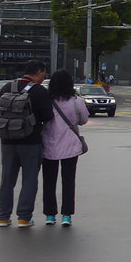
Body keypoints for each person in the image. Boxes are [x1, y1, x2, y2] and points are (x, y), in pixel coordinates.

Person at [0, 60, 55, 227]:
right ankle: (23, 217)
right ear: (40, 72)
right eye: (44, 74)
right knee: (29, 179)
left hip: (7, 140)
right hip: (31, 141)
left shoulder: (7, 88)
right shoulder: (39, 90)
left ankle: (3, 217)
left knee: (7, 180)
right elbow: (48, 116)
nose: (44, 77)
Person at [41, 69, 89, 227]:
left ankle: (49, 214)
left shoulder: (46, 100)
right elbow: (83, 120)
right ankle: (66, 215)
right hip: (70, 146)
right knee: (68, 181)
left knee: (49, 181)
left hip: (48, 145)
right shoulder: (76, 101)